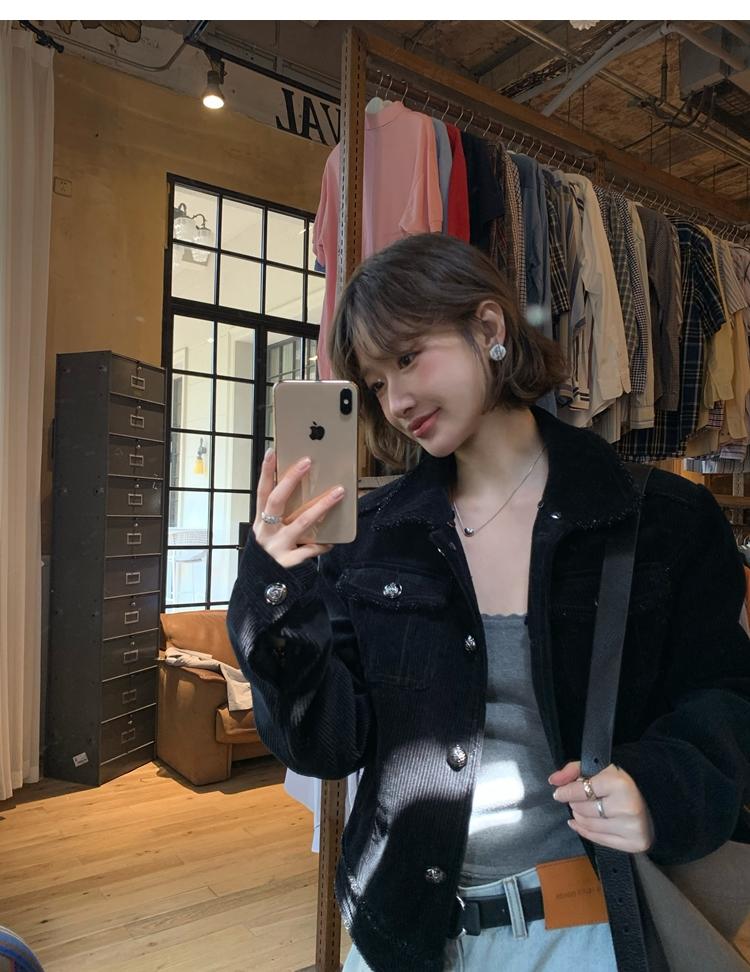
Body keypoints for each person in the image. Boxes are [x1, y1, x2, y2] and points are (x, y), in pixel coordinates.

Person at [227, 233, 750, 972]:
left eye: (408, 357)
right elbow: (327, 746)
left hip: (587, 931)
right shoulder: (374, 539)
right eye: (375, 382)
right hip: (403, 933)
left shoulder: (660, 519)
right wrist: (275, 595)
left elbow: (725, 695)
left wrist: (659, 786)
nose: (396, 401)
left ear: (489, 327)